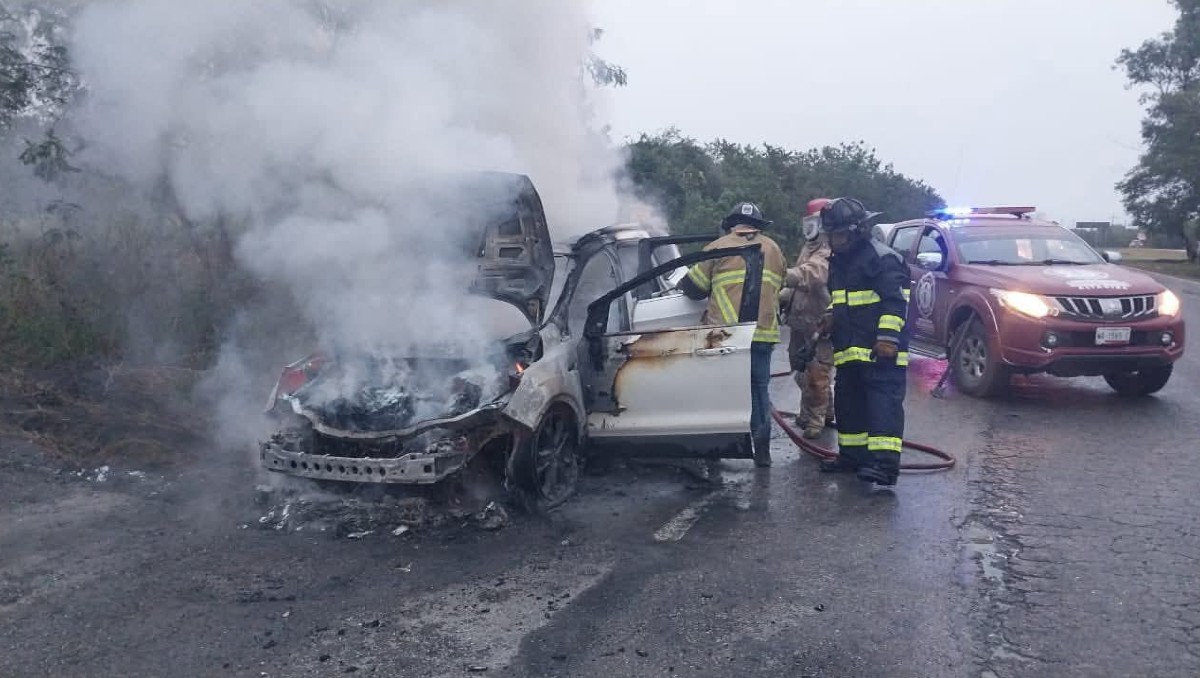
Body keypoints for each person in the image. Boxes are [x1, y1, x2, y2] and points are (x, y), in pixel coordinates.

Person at [677, 202, 787, 467]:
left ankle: (715, 453)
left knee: (719, 393)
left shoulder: (717, 248)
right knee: (759, 393)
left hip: (726, 336)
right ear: (759, 226)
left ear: (730, 225)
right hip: (762, 335)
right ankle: (762, 452)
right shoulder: (774, 249)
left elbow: (693, 289)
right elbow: (780, 283)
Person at [818, 197, 911, 487]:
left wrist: (887, 339)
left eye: (839, 235)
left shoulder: (882, 259)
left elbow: (895, 302)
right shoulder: (840, 262)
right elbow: (842, 299)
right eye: (831, 235)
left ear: (857, 231)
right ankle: (853, 457)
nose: (833, 241)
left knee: (882, 407)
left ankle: (884, 466)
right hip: (849, 349)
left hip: (879, 352)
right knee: (849, 404)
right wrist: (831, 316)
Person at [779, 198, 835, 440]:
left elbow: (813, 274)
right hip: (800, 321)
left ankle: (816, 421)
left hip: (820, 323)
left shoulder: (829, 249)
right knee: (801, 369)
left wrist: (781, 275)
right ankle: (822, 411)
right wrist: (781, 296)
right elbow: (799, 284)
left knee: (816, 375)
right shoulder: (810, 247)